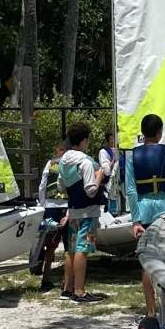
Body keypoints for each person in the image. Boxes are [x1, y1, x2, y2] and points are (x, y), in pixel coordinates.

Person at [125, 114, 165, 320]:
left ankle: (151, 312)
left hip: (144, 210)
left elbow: (131, 190)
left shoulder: (132, 156)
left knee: (148, 264)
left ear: (143, 133)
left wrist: (136, 220)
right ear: (159, 133)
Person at [57, 122, 102, 303]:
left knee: (71, 249)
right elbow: (91, 189)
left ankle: (67, 288)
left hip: (73, 210)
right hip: (88, 211)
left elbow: (60, 185)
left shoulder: (63, 161)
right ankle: (80, 291)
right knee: (82, 250)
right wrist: (100, 175)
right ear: (84, 140)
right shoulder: (86, 162)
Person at [33, 139, 68, 291]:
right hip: (67, 206)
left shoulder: (51, 164)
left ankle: (46, 278)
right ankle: (67, 282)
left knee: (50, 245)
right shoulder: (71, 163)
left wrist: (42, 205)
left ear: (57, 150)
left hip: (50, 206)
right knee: (69, 246)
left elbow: (42, 185)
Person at [97, 129, 121, 216]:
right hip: (110, 186)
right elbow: (106, 171)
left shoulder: (123, 150)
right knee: (112, 210)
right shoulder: (104, 152)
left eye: (116, 137)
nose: (115, 140)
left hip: (122, 183)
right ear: (108, 139)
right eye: (112, 138)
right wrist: (114, 160)